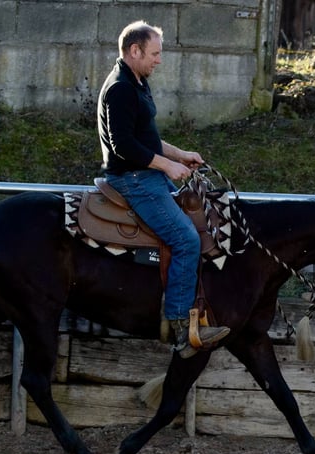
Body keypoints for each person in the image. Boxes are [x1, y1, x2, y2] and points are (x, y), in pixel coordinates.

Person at [97, 20, 229, 358]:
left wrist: (179, 155)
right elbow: (124, 145)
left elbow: (147, 138)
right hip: (133, 180)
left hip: (147, 176)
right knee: (186, 239)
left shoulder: (137, 82)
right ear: (135, 51)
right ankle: (181, 328)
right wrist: (168, 166)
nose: (159, 60)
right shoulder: (121, 89)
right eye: (154, 54)